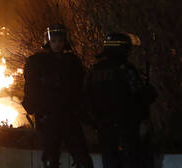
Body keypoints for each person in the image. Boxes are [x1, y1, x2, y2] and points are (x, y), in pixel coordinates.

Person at [22, 24, 94, 168]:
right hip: (48, 117)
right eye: (53, 41)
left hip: (69, 116)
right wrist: (31, 107)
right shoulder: (37, 62)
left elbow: (80, 88)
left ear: (65, 41)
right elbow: (31, 87)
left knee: (82, 157)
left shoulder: (72, 62)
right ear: (48, 41)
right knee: (50, 158)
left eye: (60, 41)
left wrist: (84, 112)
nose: (57, 44)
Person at [83, 33, 158, 168]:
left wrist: (94, 124)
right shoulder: (125, 70)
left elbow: (85, 99)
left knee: (110, 161)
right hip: (126, 129)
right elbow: (142, 95)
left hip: (104, 130)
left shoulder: (94, 71)